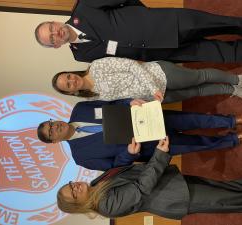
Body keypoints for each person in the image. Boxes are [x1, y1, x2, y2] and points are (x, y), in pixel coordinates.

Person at [57, 136, 242, 220]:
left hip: (171, 183)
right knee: (228, 199)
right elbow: (140, 189)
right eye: (73, 193)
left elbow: (119, 169)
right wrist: (160, 154)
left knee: (227, 189)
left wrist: (129, 154)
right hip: (177, 197)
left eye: (71, 185)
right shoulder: (105, 205)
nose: (76, 187)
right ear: (77, 204)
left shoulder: (96, 185)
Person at [37, 100, 242, 171]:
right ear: (54, 141)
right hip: (151, 147)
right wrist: (128, 154)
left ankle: (233, 121)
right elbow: (115, 165)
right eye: (51, 131)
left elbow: (113, 103)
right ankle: (233, 139)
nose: (55, 126)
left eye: (51, 123)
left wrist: (129, 102)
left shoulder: (80, 109)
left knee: (195, 119)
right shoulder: (81, 157)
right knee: (197, 144)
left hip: (150, 119)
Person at [35, 0, 242, 63]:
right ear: (54, 46)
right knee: (217, 53)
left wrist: (145, 17)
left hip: (164, 24)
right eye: (51, 38)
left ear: (54, 22)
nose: (56, 33)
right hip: (159, 53)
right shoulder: (80, 56)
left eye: (51, 28)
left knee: (222, 24)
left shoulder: (83, 8)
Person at [52, 57, 242, 103]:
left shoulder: (96, 66)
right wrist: (133, 103)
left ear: (71, 72)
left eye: (68, 76)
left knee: (201, 77)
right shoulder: (92, 96)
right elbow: (124, 96)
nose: (72, 81)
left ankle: (237, 79)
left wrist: (152, 88)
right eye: (67, 85)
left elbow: (132, 65)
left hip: (161, 75)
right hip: (156, 98)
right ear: (70, 92)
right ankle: (232, 90)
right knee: (198, 92)